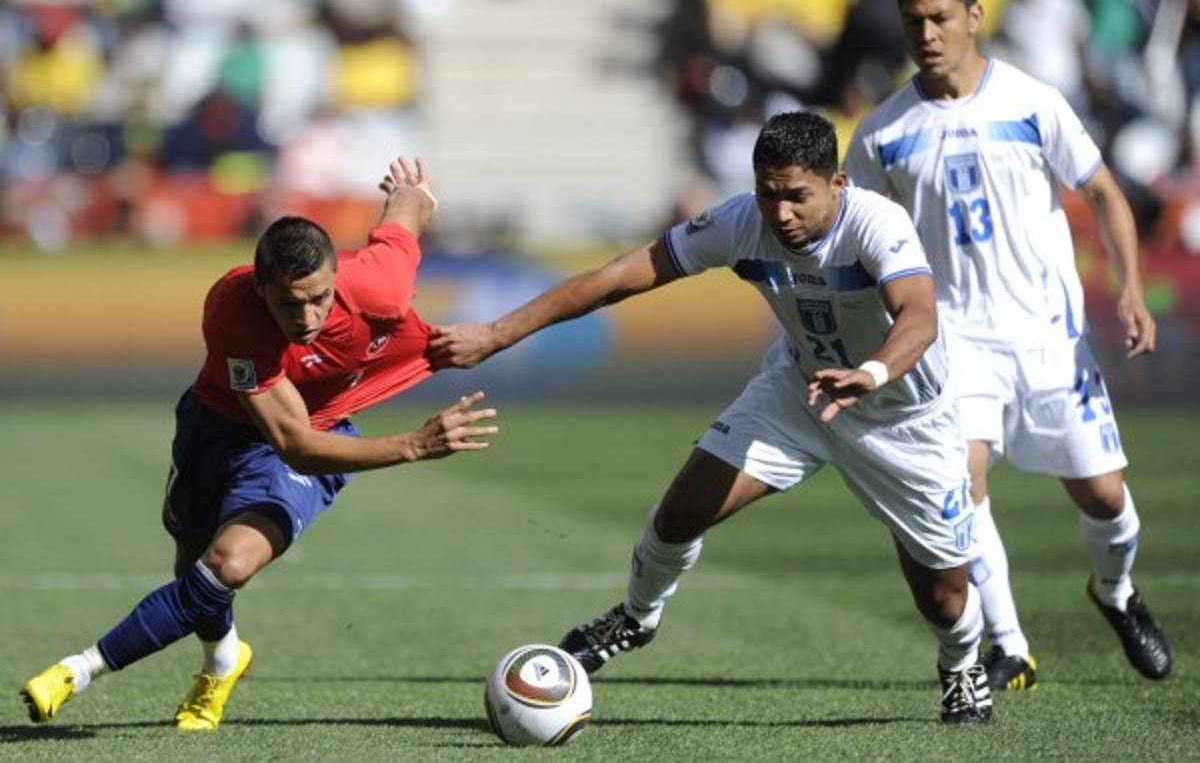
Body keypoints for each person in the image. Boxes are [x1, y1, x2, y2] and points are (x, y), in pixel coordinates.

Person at [432, 111, 994, 724]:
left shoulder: (876, 223)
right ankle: (636, 617)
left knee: (943, 601)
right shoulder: (741, 222)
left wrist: (873, 373)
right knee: (682, 510)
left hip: (902, 417)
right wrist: (496, 333)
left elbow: (919, 314)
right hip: (801, 395)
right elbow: (619, 276)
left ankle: (961, 665)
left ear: (837, 184)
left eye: (797, 196)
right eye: (767, 193)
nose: (780, 214)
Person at [20, 157, 500, 731]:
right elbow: (290, 439)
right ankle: (224, 659)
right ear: (261, 288)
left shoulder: (378, 284)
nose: (306, 316)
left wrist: (414, 192)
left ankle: (78, 670)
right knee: (194, 572)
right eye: (288, 302)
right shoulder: (232, 312)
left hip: (309, 437)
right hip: (221, 428)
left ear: (334, 276)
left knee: (229, 563)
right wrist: (416, 445)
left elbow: (404, 223)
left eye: (318, 297)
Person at [843, 0, 1171, 692]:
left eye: (939, 17)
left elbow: (1105, 192)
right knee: (963, 484)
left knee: (1105, 497)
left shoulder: (1032, 101)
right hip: (953, 341)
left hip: (1048, 335)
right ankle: (1010, 643)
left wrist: (1131, 289)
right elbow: (858, 239)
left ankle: (1114, 593)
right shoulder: (880, 133)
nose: (926, 35)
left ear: (974, 14)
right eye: (913, 21)